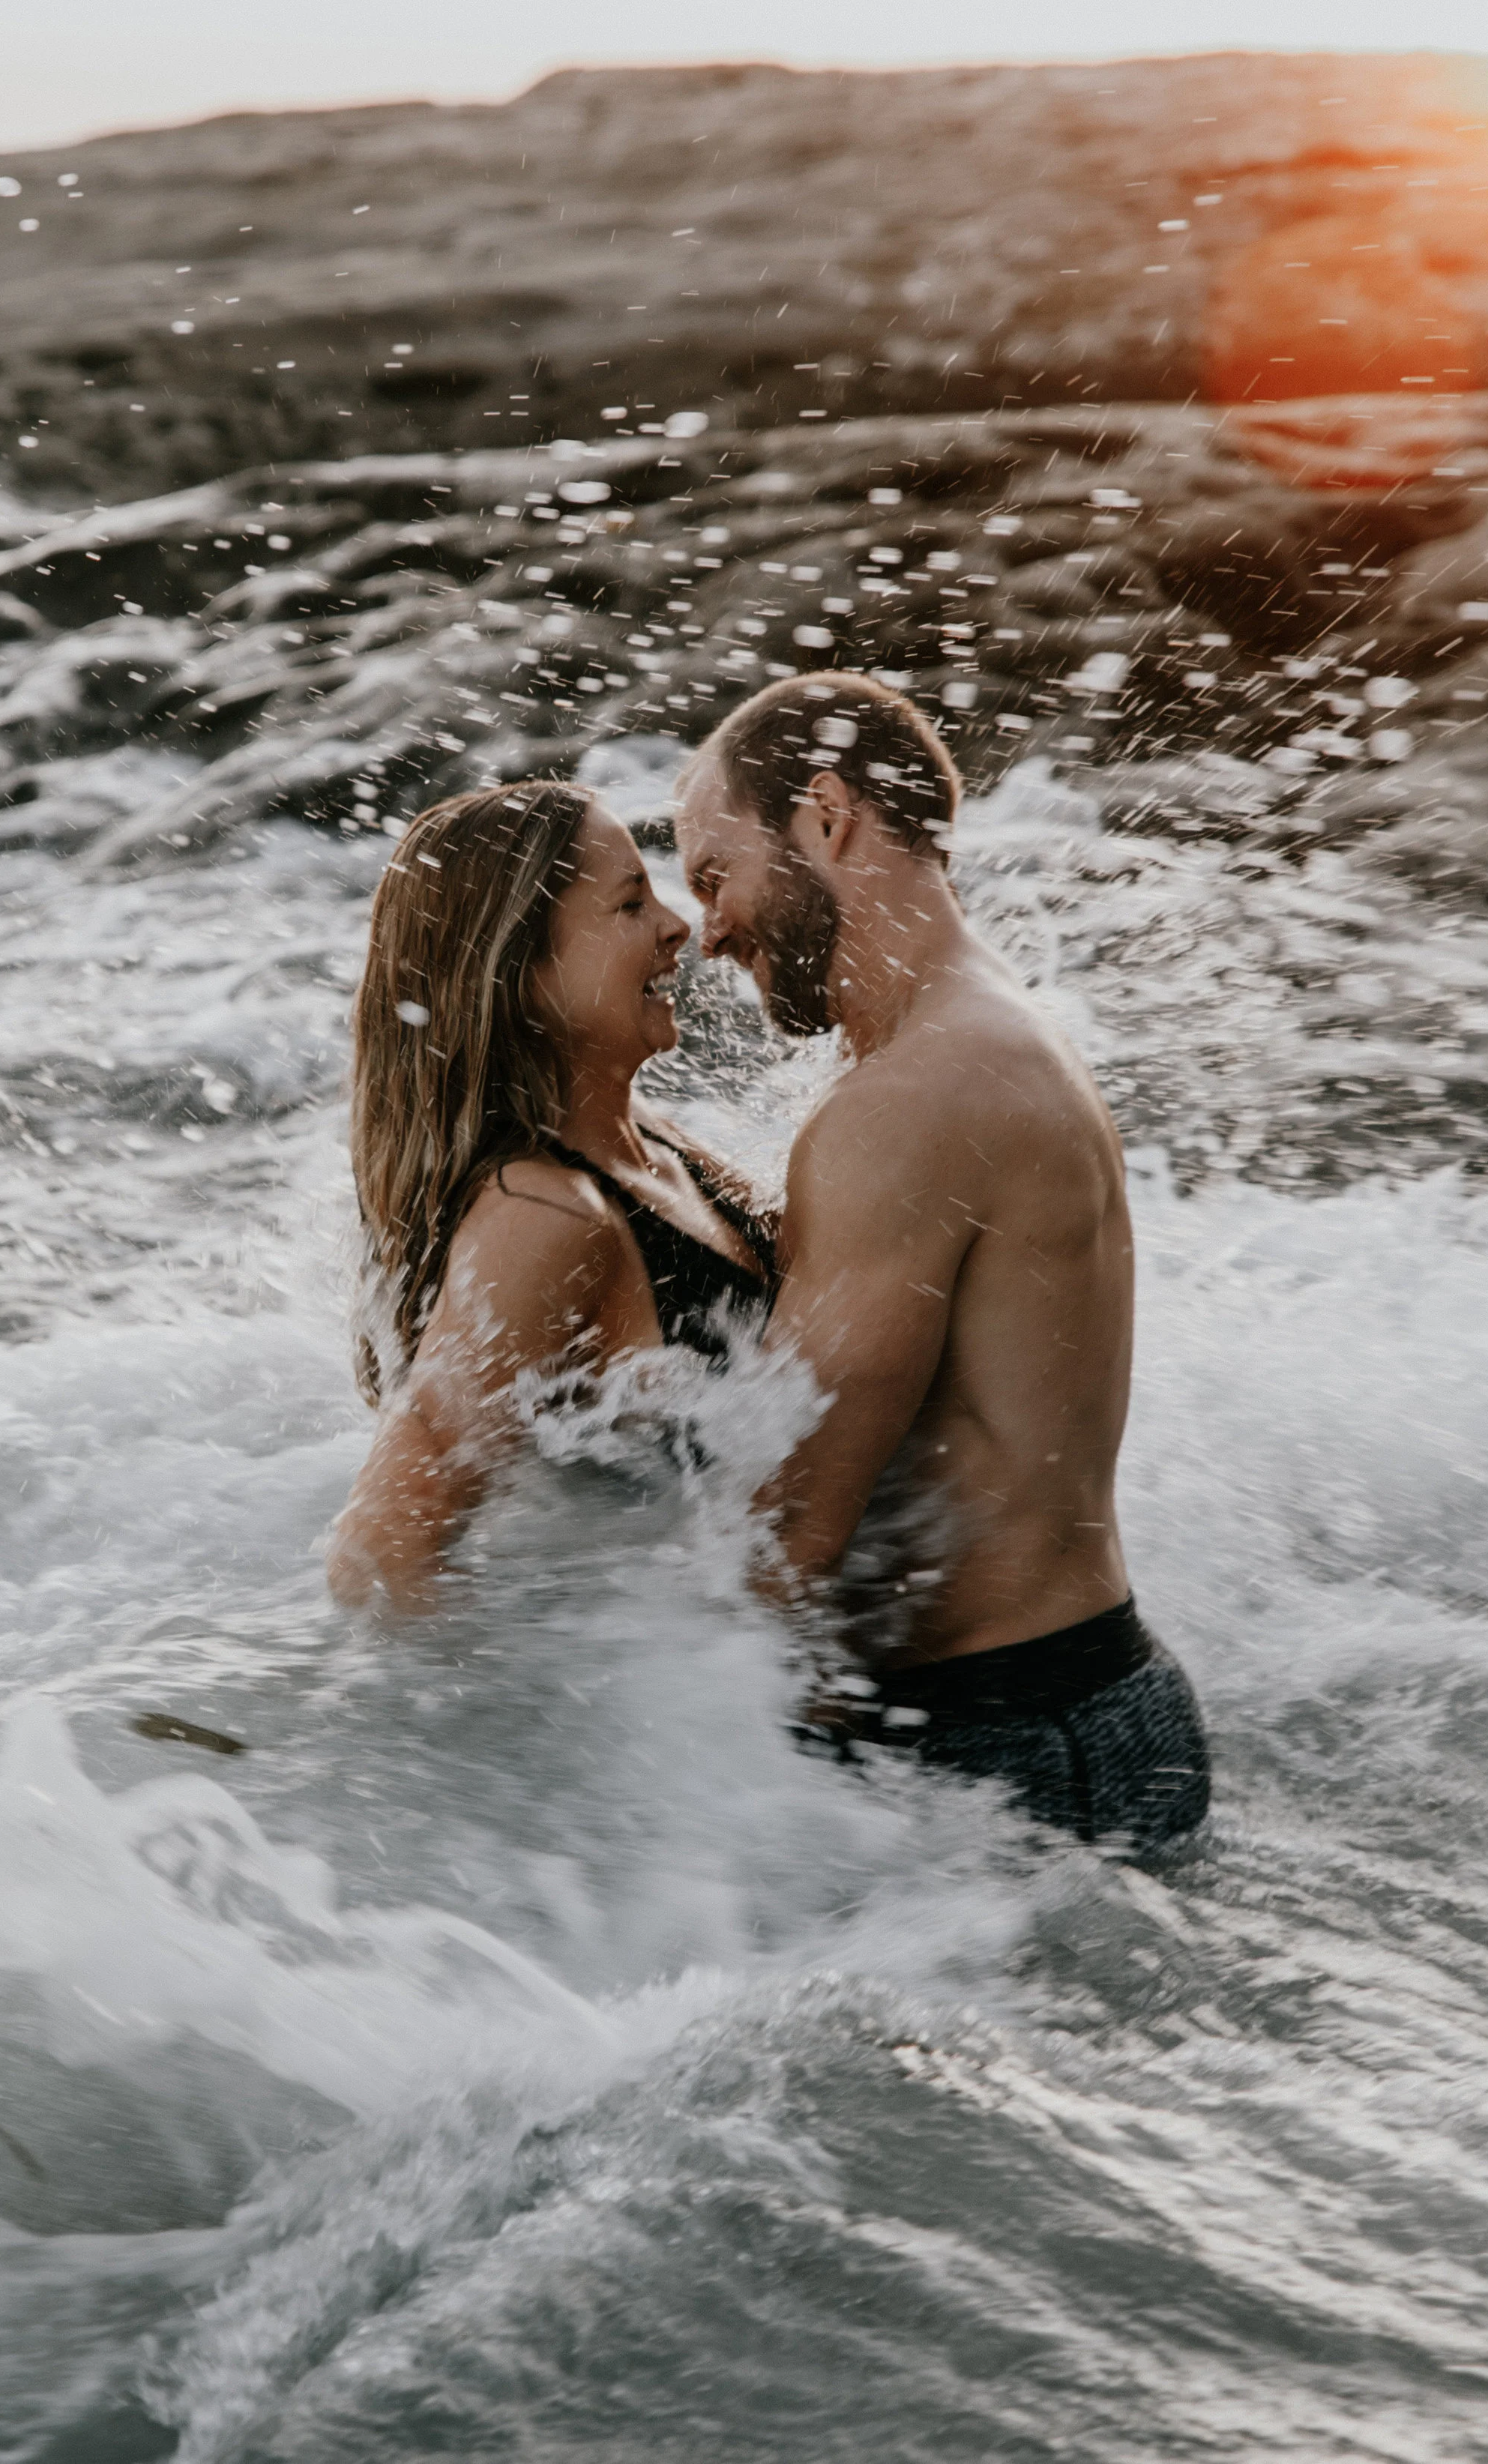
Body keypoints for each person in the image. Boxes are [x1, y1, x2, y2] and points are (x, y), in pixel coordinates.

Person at [673, 672, 1210, 1853]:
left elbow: (791, 1519)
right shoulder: (982, 1039)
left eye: (715, 874)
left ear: (826, 815)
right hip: (1077, 1701)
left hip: (1005, 1747)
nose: (707, 929)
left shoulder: (916, 1097)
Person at [327, 782, 775, 1614]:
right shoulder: (546, 1216)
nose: (675, 925)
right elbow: (382, 1553)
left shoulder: (654, 1142)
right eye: (630, 904)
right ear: (522, 974)